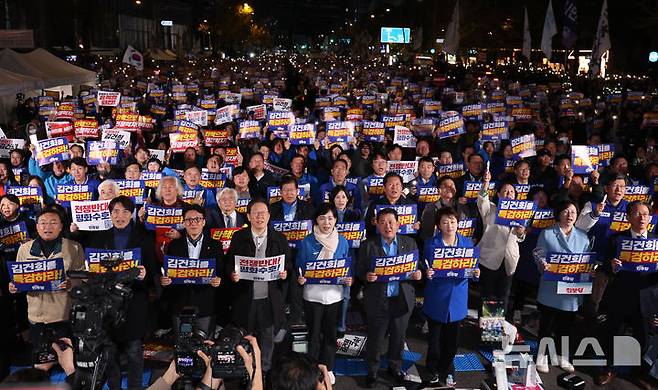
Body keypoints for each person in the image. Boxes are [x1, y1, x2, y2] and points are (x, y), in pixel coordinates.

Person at [87, 196, 156, 390]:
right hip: (107, 303)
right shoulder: (99, 238)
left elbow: (153, 269)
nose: (120, 216)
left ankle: (135, 387)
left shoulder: (143, 238)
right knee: (110, 351)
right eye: (115, 211)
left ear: (132, 214)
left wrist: (145, 275)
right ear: (109, 214)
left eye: (125, 211)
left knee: (134, 350)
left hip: (134, 302)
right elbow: (92, 271)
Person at [8, 208, 85, 370]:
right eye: (42, 223)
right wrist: (14, 286)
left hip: (63, 316)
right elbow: (18, 278)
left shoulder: (74, 247)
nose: (47, 227)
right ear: (36, 226)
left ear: (61, 226)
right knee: (41, 368)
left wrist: (72, 283)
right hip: (37, 317)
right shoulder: (24, 249)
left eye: (53, 223)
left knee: (69, 366)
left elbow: (83, 278)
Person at [595, 201, 657, 388]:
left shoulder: (656, 241)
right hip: (620, 296)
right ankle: (610, 369)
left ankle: (639, 373)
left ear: (650, 218)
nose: (642, 217)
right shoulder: (616, 239)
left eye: (645, 214)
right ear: (628, 217)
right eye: (637, 214)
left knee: (644, 337)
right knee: (614, 333)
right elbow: (605, 265)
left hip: (648, 298)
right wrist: (611, 266)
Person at [357, 208, 421, 387]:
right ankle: (372, 370)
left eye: (391, 222)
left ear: (399, 224)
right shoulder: (368, 245)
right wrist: (366, 276)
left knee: (398, 337)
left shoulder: (410, 244)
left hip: (401, 299)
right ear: (377, 225)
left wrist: (418, 274)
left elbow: (417, 267)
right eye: (383, 222)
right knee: (375, 338)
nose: (388, 226)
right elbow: (359, 270)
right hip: (378, 299)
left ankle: (395, 367)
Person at [226, 199, 291, 372]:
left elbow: (289, 267)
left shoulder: (280, 239)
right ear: (248, 216)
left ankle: (265, 373)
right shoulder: (239, 237)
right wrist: (232, 274)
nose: (260, 216)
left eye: (263, 212)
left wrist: (285, 274)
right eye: (255, 212)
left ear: (269, 216)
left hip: (269, 300)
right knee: (245, 337)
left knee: (267, 338)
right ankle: (245, 372)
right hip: (245, 297)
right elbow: (229, 263)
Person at [422, 207, 480, 386]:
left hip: (457, 299)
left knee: (452, 342)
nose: (449, 225)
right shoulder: (431, 244)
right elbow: (425, 266)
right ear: (439, 225)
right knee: (434, 341)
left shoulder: (468, 243)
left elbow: (472, 268)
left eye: (453, 222)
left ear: (458, 224)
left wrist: (476, 272)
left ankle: (447, 368)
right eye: (445, 222)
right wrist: (427, 272)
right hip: (437, 297)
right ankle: (431, 368)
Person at [296, 204, 352, 384]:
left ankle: (328, 368)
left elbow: (347, 268)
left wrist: (348, 279)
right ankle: (312, 370)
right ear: (316, 221)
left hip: (334, 296)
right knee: (313, 335)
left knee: (330, 335)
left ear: (335, 219)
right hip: (312, 296)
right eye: (322, 218)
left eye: (330, 218)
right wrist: (300, 278)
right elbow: (300, 267)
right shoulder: (306, 241)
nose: (326, 222)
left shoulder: (342, 241)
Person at [534, 200, 591, 374]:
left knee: (566, 326)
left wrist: (590, 271)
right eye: (566, 211)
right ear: (559, 213)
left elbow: (586, 261)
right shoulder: (548, 233)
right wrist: (542, 262)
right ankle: (541, 355)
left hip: (571, 290)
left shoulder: (583, 236)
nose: (570, 215)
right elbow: (538, 252)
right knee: (546, 324)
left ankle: (562, 355)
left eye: (573, 212)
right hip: (551, 287)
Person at [161, 204, 222, 336]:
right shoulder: (174, 245)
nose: (193, 223)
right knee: (183, 343)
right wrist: (165, 280)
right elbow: (169, 273)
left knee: (205, 345)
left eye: (197, 219)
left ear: (204, 222)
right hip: (180, 304)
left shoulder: (215, 245)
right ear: (184, 223)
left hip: (206, 305)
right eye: (189, 220)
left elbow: (220, 272)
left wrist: (218, 280)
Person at [476, 170, 526, 315]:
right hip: (489, 260)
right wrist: (485, 185)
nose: (509, 194)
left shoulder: (521, 213)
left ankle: (495, 332)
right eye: (505, 191)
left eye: (511, 192)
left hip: (509, 261)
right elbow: (482, 200)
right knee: (488, 297)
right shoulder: (491, 209)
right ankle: (486, 330)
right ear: (498, 195)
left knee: (502, 297)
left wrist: (521, 232)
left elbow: (520, 237)